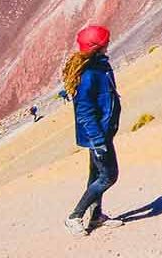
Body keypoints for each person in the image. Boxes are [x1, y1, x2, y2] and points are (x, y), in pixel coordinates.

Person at [63, 25, 124, 236]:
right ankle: (75, 216)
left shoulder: (99, 66)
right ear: (96, 47)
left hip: (104, 131)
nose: (109, 44)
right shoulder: (89, 75)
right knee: (109, 176)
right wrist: (98, 141)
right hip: (97, 135)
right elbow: (85, 113)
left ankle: (96, 216)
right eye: (105, 42)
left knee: (96, 175)